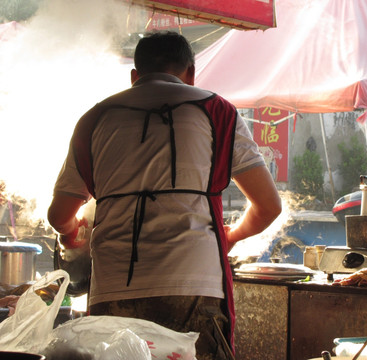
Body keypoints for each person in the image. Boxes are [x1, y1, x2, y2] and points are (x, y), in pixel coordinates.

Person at [47, 31, 281, 359]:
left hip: (114, 287)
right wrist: (233, 236)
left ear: (134, 76)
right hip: (194, 284)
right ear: (190, 74)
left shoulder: (94, 118)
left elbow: (58, 216)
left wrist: (73, 233)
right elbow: (269, 206)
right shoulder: (217, 111)